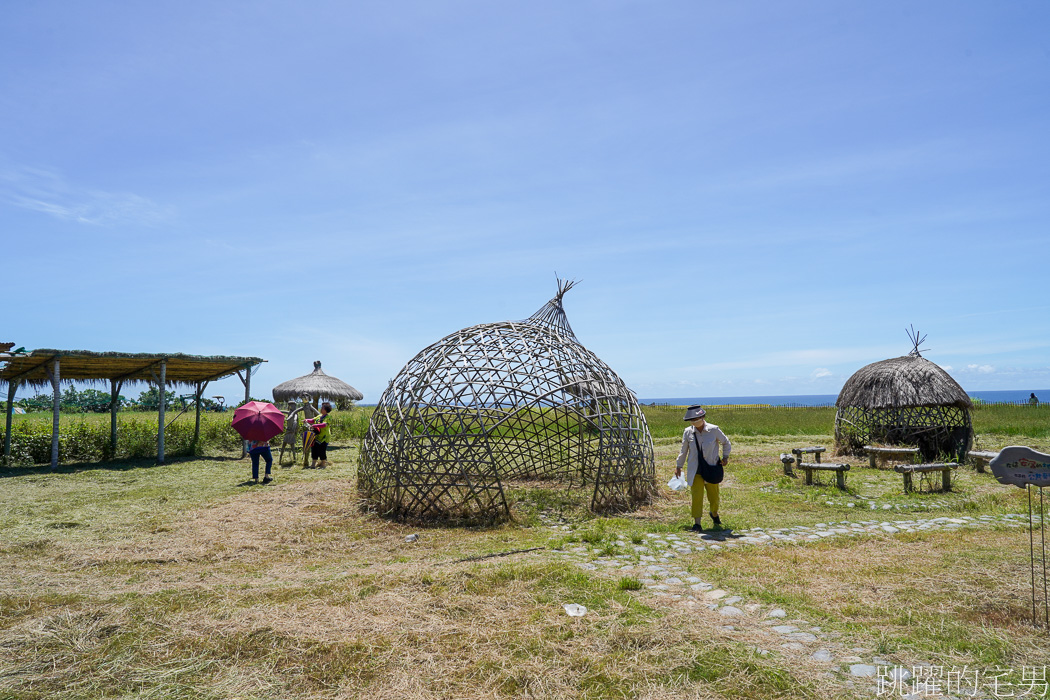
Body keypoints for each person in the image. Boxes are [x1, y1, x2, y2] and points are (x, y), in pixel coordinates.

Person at [674, 405, 731, 531]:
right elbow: (683, 450)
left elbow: (726, 442)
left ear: (703, 417)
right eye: (692, 420)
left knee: (714, 497)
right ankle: (697, 523)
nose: (695, 422)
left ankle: (714, 513)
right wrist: (679, 465)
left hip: (711, 469)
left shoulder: (714, 430)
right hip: (696, 470)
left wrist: (725, 457)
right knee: (697, 497)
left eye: (697, 419)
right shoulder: (688, 432)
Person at [306, 401, 333, 468]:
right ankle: (313, 464)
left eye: (322, 408)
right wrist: (306, 420)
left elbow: (324, 424)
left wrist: (314, 425)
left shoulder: (328, 417)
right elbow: (312, 420)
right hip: (317, 436)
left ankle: (323, 464)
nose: (321, 409)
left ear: (326, 410)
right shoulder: (319, 416)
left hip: (324, 437)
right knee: (314, 449)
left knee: (322, 450)